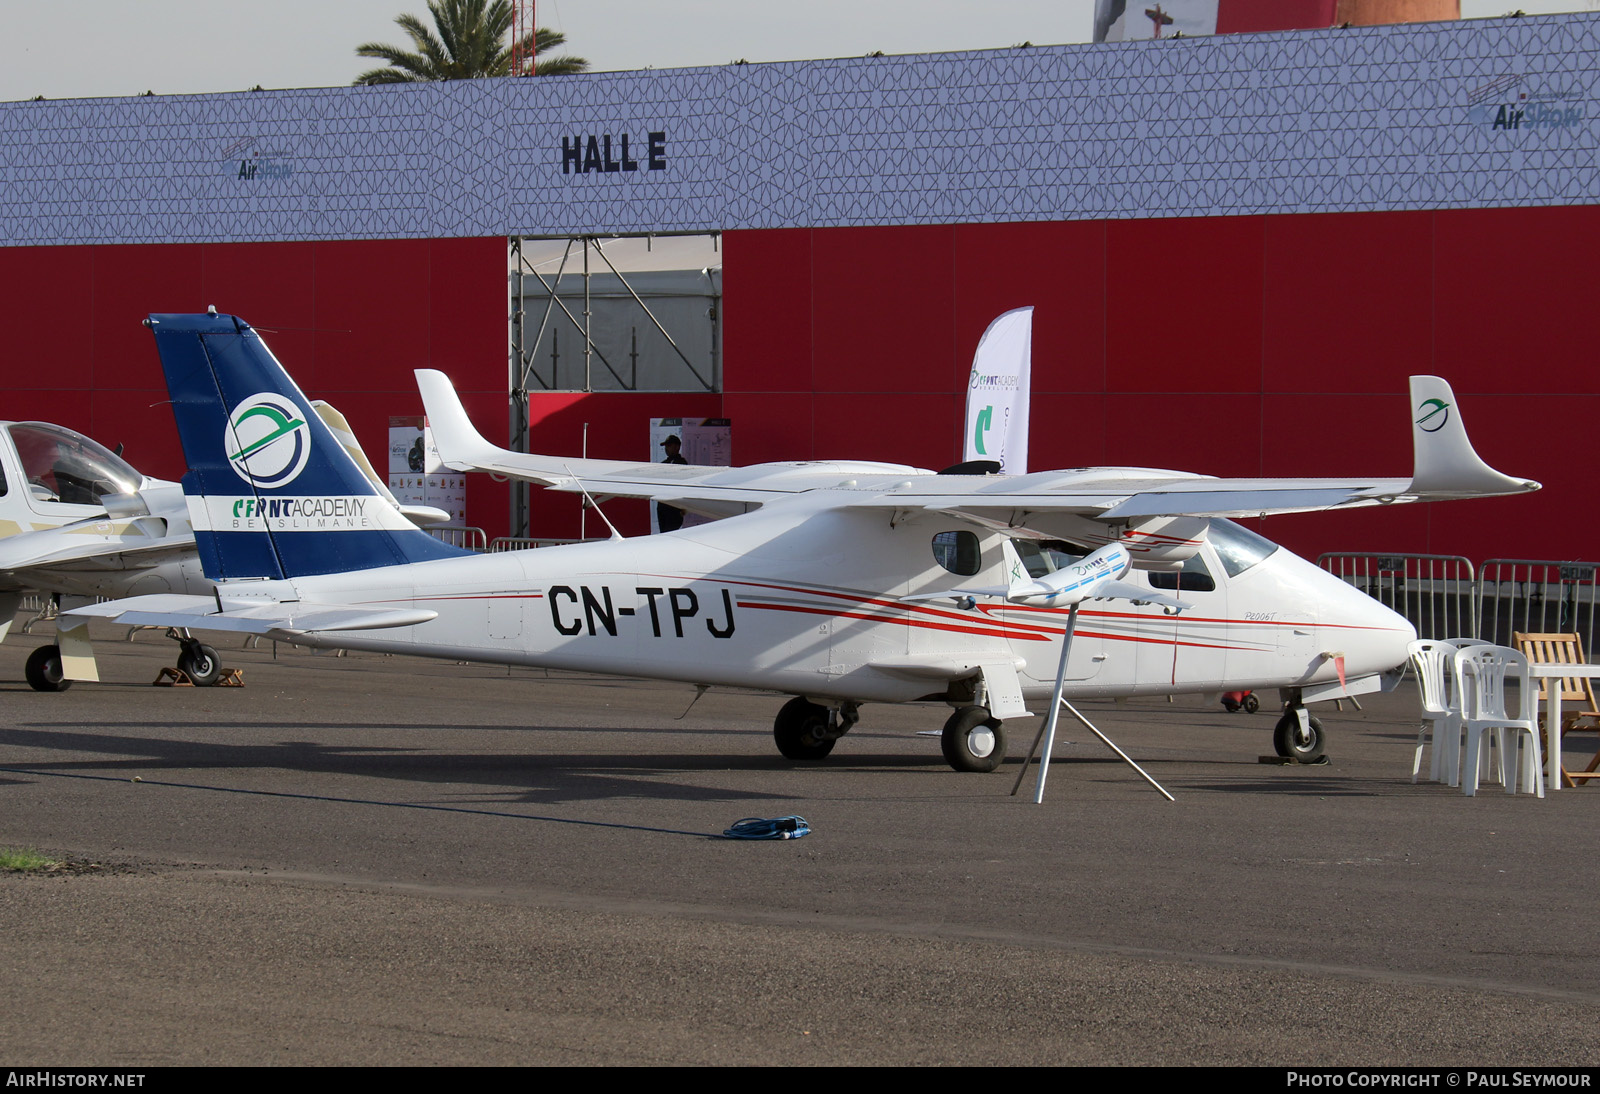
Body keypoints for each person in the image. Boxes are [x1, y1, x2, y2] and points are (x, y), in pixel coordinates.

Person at [656, 434, 687, 532]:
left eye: (669, 446)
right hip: (662, 505)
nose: (666, 448)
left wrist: (683, 506)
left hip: (674, 506)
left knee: (671, 533)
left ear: (677, 447)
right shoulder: (663, 464)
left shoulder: (682, 463)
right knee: (663, 534)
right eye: (666, 446)